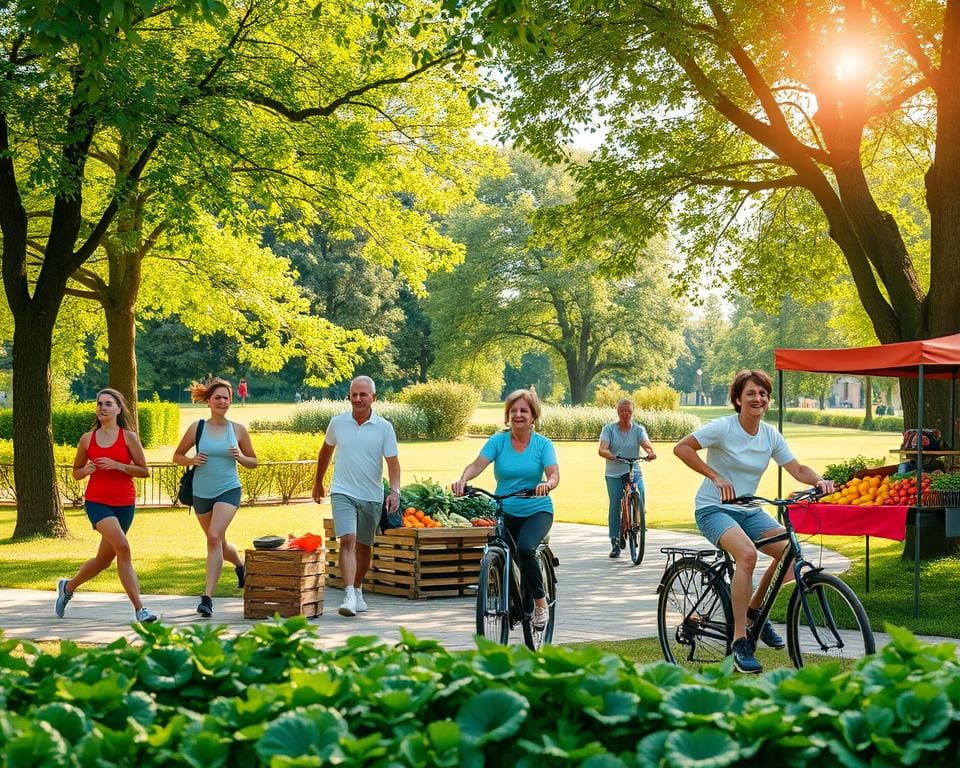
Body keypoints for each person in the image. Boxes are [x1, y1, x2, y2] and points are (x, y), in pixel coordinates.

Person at [673, 369, 834, 674]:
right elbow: (682, 447)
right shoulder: (723, 427)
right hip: (713, 509)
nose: (758, 398)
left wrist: (820, 481)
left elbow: (797, 468)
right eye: (751, 393)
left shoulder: (770, 434)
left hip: (749, 509)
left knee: (791, 554)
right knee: (747, 555)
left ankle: (753, 610)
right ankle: (739, 640)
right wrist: (715, 477)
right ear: (738, 399)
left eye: (763, 394)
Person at [452, 388, 559, 629]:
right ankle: (510, 598)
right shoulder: (498, 441)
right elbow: (477, 464)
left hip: (537, 510)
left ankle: (540, 605)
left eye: (524, 410)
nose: (518, 415)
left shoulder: (542, 444)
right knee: (502, 552)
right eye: (513, 411)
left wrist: (547, 484)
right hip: (505, 509)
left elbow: (553, 474)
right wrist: (463, 480)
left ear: (533, 416)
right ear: (507, 415)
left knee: (524, 548)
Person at [56, 388, 157, 623]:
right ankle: (140, 609)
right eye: (99, 403)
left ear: (118, 409)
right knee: (123, 547)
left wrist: (118, 465)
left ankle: (68, 587)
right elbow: (76, 473)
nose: (102, 407)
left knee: (103, 561)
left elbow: (144, 471)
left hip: (124, 503)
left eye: (108, 404)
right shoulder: (87, 439)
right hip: (97, 502)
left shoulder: (129, 437)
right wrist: (86, 470)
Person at [312, 376, 401, 617]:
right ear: (349, 396)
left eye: (363, 394)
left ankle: (359, 588)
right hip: (342, 491)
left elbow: (393, 463)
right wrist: (318, 482)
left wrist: (394, 491)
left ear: (374, 397)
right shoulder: (337, 423)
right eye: (354, 394)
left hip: (371, 495)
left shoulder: (384, 427)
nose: (358, 399)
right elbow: (325, 452)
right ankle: (349, 593)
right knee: (348, 540)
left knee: (364, 546)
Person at [173, 378, 257, 617]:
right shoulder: (197, 428)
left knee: (212, 537)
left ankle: (207, 598)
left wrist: (240, 456)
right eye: (218, 397)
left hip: (229, 489)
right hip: (201, 492)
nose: (222, 401)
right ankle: (241, 567)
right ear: (208, 401)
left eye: (226, 397)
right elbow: (177, 456)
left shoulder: (238, 429)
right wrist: (191, 460)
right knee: (218, 542)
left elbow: (254, 462)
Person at [598, 398, 657, 558]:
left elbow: (646, 444)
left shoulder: (638, 429)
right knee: (615, 503)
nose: (626, 414)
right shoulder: (609, 429)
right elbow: (602, 448)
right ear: (618, 413)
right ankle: (615, 540)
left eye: (629, 411)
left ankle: (638, 521)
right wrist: (610, 455)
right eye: (623, 411)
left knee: (641, 493)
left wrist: (650, 452)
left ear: (632, 412)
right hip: (614, 471)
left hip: (634, 467)